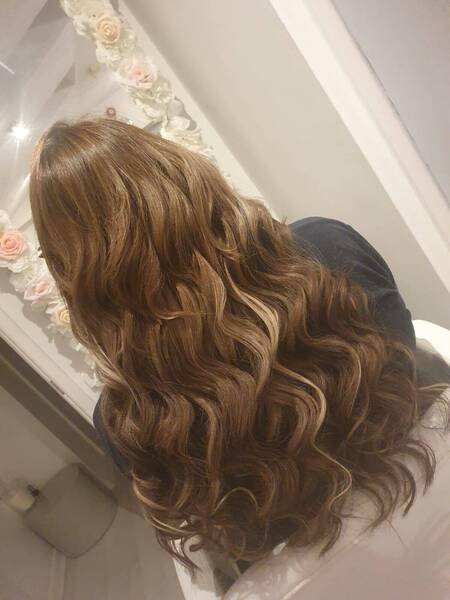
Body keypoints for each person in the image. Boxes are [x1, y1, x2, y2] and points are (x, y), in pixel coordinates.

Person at [29, 119, 443, 573]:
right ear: (184, 176)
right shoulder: (327, 247)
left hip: (347, 573)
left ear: (73, 274)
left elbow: (233, 536)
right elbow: (404, 364)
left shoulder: (120, 424)